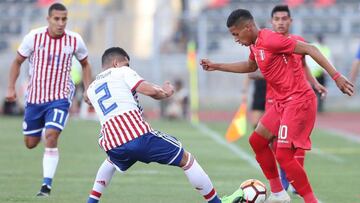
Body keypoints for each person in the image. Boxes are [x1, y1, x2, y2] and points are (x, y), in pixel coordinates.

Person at [200, 9, 353, 203]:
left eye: (236, 34)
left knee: (283, 154)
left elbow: (311, 49)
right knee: (257, 141)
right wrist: (217, 66)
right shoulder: (255, 45)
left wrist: (337, 77)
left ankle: (311, 200)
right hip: (282, 104)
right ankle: (279, 194)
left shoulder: (271, 40)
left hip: (298, 101)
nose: (235, 39)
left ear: (248, 27)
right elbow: (250, 66)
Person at [86, 47, 244, 203]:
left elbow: (88, 99)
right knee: (186, 159)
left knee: (111, 161)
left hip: (112, 144)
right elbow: (150, 91)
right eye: (127, 64)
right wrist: (165, 92)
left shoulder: (92, 88)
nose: (129, 67)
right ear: (116, 63)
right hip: (137, 136)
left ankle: (92, 201)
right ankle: (216, 202)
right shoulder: (122, 71)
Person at [5, 3, 92, 196]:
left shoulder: (74, 40)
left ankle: (46, 186)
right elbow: (17, 61)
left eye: (64, 19)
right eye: (57, 19)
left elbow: (85, 64)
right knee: (30, 143)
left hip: (60, 96)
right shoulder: (33, 37)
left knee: (52, 136)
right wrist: (11, 87)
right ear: (48, 19)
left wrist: (87, 89)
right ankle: (45, 129)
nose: (61, 23)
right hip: (35, 97)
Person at [269, 5, 328, 193]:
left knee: (293, 141)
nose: (280, 22)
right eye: (277, 19)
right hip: (275, 99)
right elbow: (255, 67)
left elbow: (303, 65)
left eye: (284, 18)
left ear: (290, 21)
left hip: (297, 100)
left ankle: (290, 181)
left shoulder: (298, 42)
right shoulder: (267, 43)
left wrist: (314, 83)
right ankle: (286, 179)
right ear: (272, 22)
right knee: (274, 141)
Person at [306, 34, 332, 112]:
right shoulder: (313, 46)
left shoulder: (326, 48)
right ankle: (312, 108)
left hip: (321, 74)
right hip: (312, 74)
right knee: (312, 92)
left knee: (321, 91)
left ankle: (320, 108)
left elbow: (329, 60)